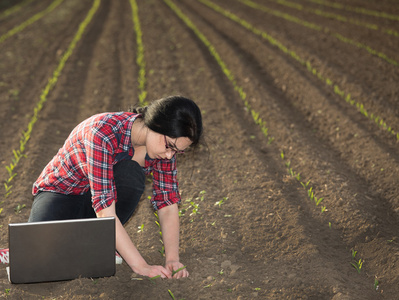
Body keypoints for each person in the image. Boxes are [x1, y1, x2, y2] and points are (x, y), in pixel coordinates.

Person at [28, 95, 203, 279]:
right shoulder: (103, 132)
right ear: (157, 125)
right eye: (170, 146)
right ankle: (82, 243)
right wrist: (141, 266)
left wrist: (172, 259)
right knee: (38, 254)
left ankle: (95, 242)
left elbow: (167, 203)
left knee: (130, 174)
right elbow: (105, 211)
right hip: (60, 194)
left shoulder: (163, 150)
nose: (169, 156)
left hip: (96, 205)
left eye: (177, 151)